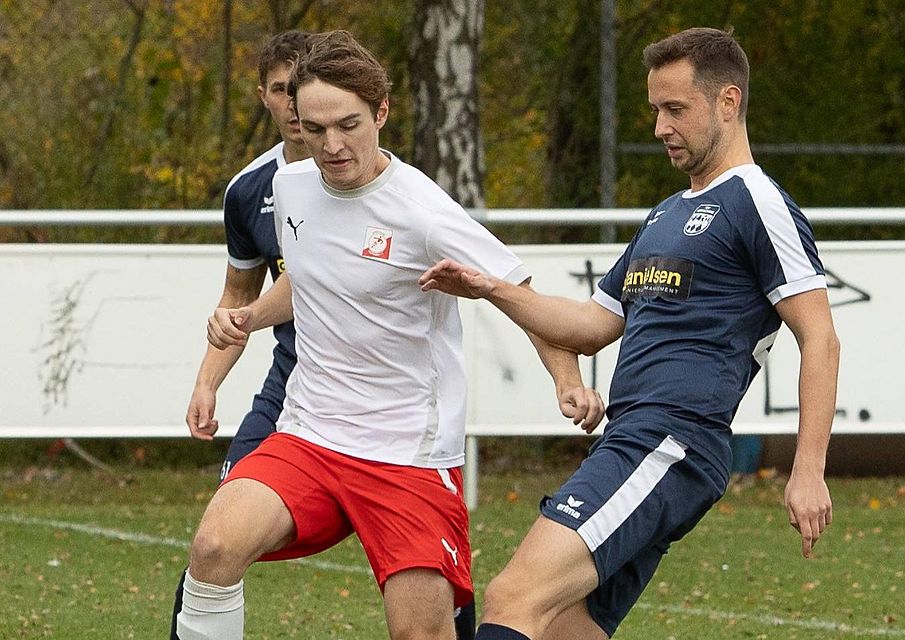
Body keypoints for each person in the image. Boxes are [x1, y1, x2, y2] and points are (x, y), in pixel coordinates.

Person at [176, 30, 604, 640]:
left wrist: (566, 379)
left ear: (381, 112)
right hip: (310, 434)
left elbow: (519, 293)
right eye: (315, 129)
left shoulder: (422, 211)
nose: (332, 145)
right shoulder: (290, 187)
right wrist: (250, 317)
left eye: (347, 125)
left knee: (419, 632)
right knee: (215, 546)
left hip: (407, 453)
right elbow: (308, 276)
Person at [419, 27, 841, 640]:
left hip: (671, 440)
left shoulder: (757, 201)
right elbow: (591, 326)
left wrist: (808, 469)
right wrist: (491, 288)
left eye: (676, 109)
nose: (660, 127)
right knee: (564, 627)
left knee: (514, 596)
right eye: (654, 110)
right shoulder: (666, 213)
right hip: (635, 438)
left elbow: (820, 338)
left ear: (728, 102)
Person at [169, 29, 312, 640]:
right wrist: (207, 382)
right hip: (292, 386)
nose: (295, 104)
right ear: (263, 96)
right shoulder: (249, 190)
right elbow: (238, 296)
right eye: (281, 90)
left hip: (385, 397)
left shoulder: (381, 180)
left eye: (303, 88)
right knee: (214, 544)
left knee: (428, 578)